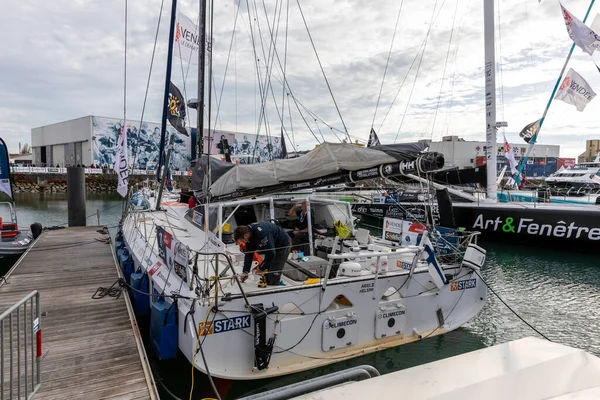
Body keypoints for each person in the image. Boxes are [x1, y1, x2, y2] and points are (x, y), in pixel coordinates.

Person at [234, 222, 291, 286]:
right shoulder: (248, 234)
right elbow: (249, 254)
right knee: (267, 271)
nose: (242, 243)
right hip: (271, 245)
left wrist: (261, 268)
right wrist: (245, 271)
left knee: (273, 273)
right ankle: (268, 281)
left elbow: (271, 253)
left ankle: (274, 285)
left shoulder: (261, 233)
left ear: (245, 235)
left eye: (242, 241)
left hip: (282, 244)